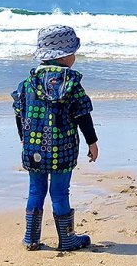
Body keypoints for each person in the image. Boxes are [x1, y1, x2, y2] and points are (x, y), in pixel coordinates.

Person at [11, 24, 99, 251]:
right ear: (64, 56)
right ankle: (67, 239)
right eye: (73, 52)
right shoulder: (72, 84)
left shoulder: (28, 83)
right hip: (63, 149)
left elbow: (19, 113)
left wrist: (23, 138)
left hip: (33, 148)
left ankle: (31, 238)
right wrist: (92, 142)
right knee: (60, 192)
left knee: (35, 190)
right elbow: (83, 115)